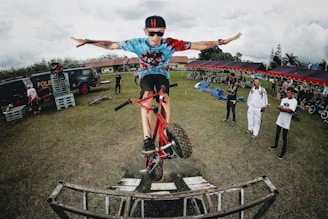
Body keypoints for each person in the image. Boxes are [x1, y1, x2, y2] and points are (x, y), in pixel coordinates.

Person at [72, 15, 241, 154]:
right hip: (146, 75)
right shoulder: (137, 43)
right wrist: (88, 41)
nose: (155, 37)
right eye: (151, 33)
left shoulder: (170, 43)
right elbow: (111, 45)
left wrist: (220, 42)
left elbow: (198, 45)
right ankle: (147, 138)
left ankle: (164, 135)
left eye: (159, 33)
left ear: (164, 31)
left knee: (164, 96)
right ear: (145, 31)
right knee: (146, 97)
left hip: (161, 74)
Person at [269, 87, 297, 160]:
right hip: (280, 119)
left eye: (289, 92)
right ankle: (275, 145)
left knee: (284, 137)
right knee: (277, 133)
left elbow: (290, 111)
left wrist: (282, 109)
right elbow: (279, 107)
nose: (288, 94)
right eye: (287, 92)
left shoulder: (294, 101)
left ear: (292, 93)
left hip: (286, 122)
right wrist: (284, 109)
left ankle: (283, 152)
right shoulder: (284, 99)